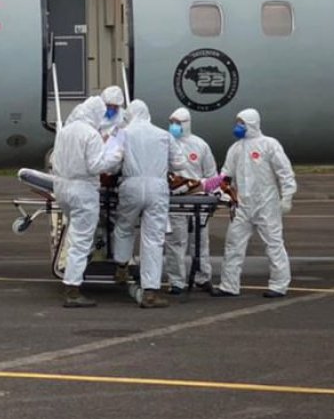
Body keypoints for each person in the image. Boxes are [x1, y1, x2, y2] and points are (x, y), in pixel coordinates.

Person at [211, 108, 297, 298]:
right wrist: (210, 187)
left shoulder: (269, 145)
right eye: (237, 122)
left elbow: (285, 172)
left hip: (266, 204)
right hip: (242, 205)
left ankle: (279, 285)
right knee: (233, 244)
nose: (238, 126)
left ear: (251, 123)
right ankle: (229, 285)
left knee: (273, 244)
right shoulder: (235, 149)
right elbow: (225, 175)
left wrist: (287, 196)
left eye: (241, 123)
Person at [53, 95, 125, 307]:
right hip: (83, 189)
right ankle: (73, 289)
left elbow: (56, 160)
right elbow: (95, 166)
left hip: (62, 187)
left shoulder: (65, 131)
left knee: (75, 234)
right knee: (81, 240)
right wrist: (116, 155)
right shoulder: (91, 134)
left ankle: (74, 272)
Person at [111, 100, 172, 308]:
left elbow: (111, 163)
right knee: (153, 239)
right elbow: (179, 163)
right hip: (158, 187)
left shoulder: (123, 133)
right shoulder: (164, 135)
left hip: (131, 185)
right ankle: (150, 291)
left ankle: (121, 266)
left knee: (124, 227)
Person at [164, 106, 217, 294]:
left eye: (177, 123)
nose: (173, 126)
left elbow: (211, 175)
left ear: (186, 124)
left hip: (198, 200)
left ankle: (203, 277)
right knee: (175, 242)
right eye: (171, 122)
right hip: (176, 201)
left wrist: (212, 196)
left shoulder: (200, 145)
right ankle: (177, 281)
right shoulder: (165, 143)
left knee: (201, 242)